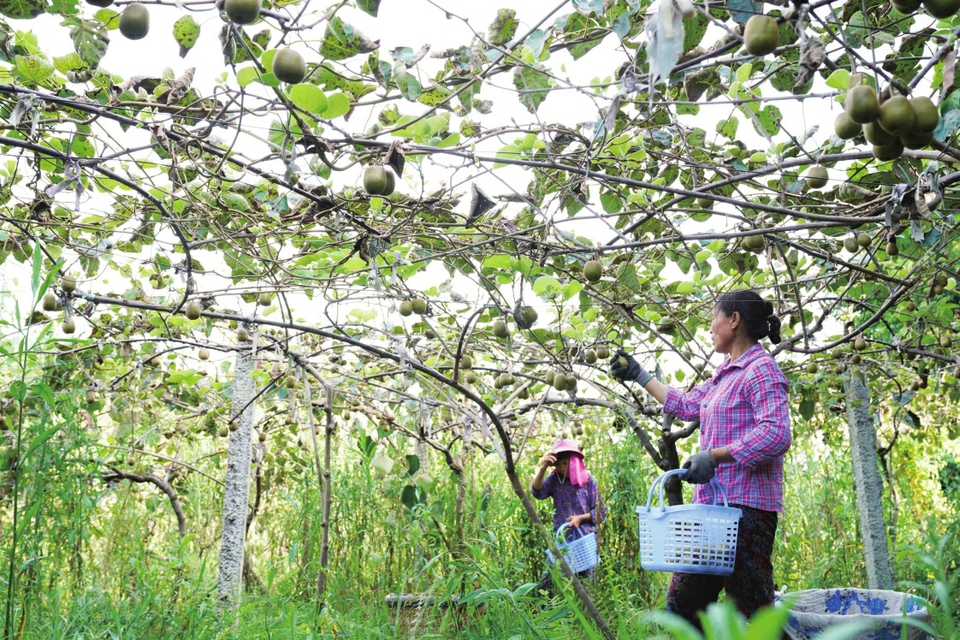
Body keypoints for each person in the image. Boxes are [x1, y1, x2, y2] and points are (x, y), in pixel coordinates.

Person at [610, 289, 791, 628]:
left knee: (752, 613)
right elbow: (687, 404)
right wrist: (639, 375)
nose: (710, 328)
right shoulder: (725, 374)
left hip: (747, 512)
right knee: (684, 607)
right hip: (713, 515)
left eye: (713, 319)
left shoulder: (760, 369)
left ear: (733, 320)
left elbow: (776, 433)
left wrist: (716, 455)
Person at [531, 439, 605, 592]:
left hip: (585, 540)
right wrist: (544, 466)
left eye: (567, 463)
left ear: (575, 461)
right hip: (562, 541)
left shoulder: (588, 481)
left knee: (586, 587)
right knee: (547, 583)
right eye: (560, 464)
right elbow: (537, 492)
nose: (564, 468)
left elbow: (601, 513)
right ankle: (543, 611)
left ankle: (584, 615)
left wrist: (580, 518)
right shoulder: (555, 480)